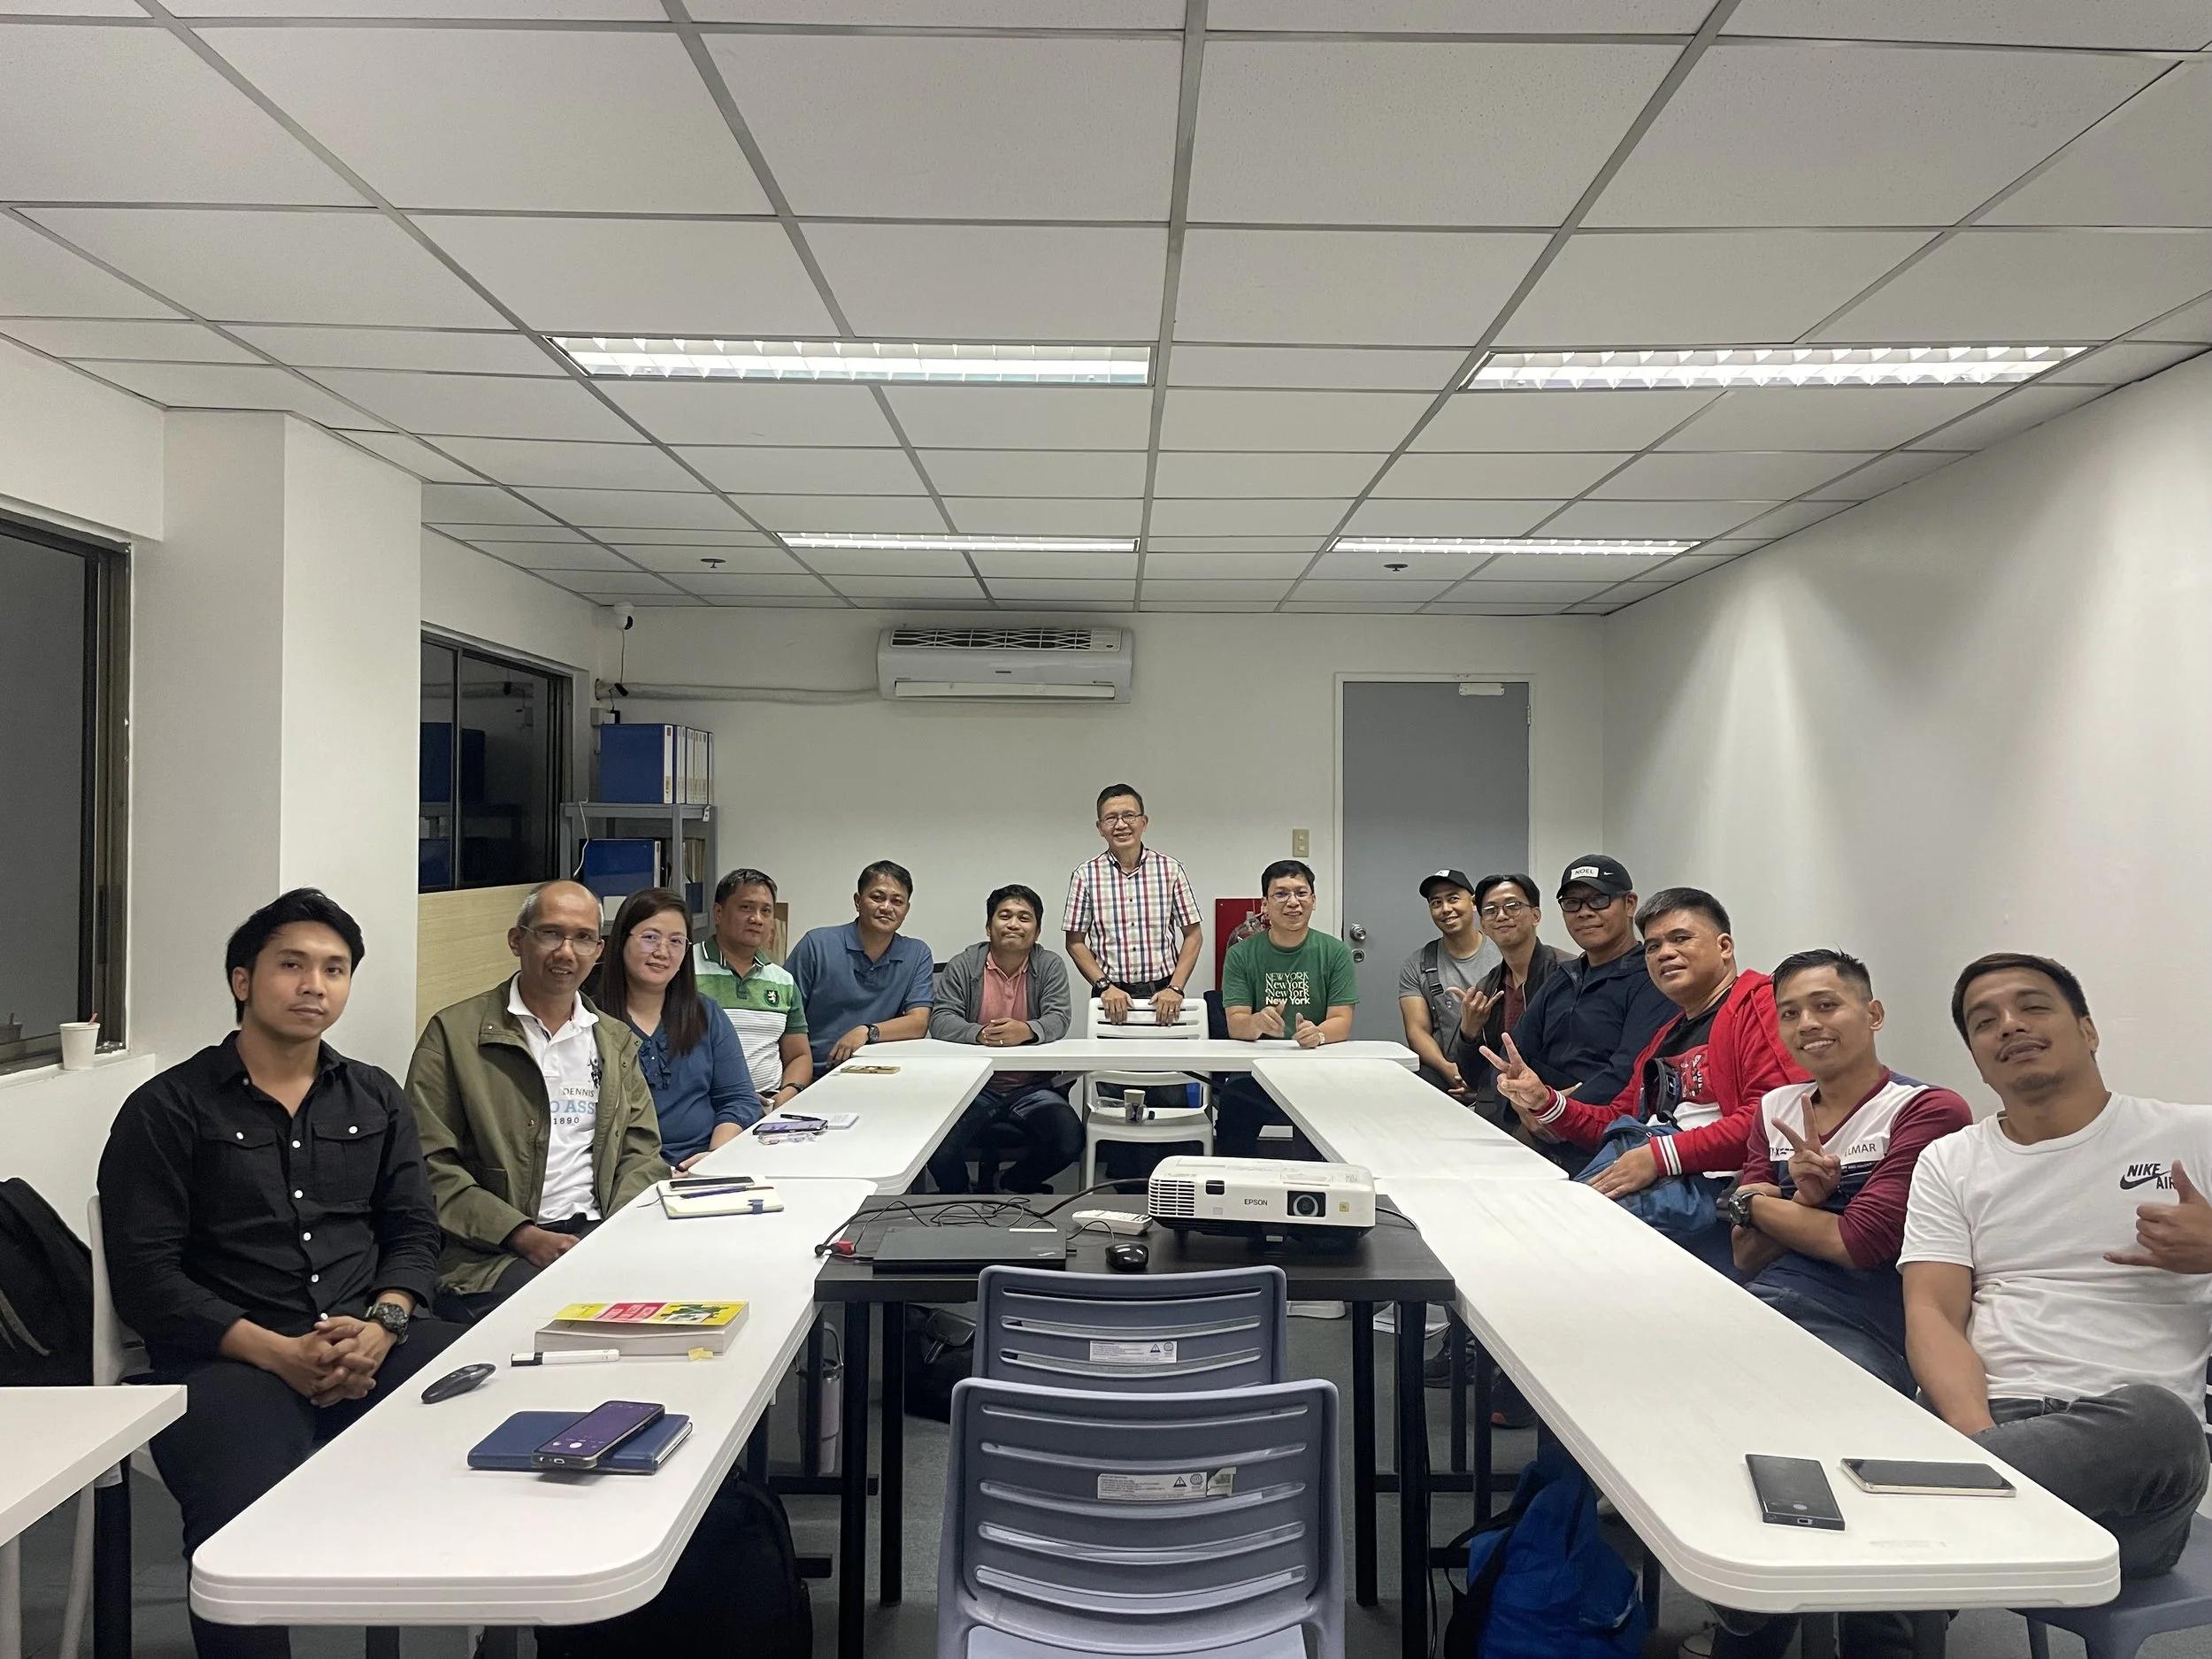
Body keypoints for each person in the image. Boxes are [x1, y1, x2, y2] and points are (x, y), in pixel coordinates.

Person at [97, 889, 463, 1659]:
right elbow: (149, 1277)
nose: (314, 985)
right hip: (229, 1359)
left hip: (374, 1339)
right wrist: (280, 1352)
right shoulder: (168, 1108)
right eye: (291, 965)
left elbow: (413, 1231)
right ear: (242, 980)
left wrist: (384, 1322)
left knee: (516, 1436)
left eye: (334, 969)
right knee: (240, 1532)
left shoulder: (375, 1095)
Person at [1901, 953, 2212, 1579]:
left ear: (2088, 1030)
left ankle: (1922, 1506)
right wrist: (1979, 1439)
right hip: (1993, 1415)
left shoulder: (2194, 1134)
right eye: (1984, 1021)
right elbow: (1932, 1310)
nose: (2010, 1025)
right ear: (1977, 1055)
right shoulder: (1949, 1161)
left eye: (2033, 1005)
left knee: (2160, 1422)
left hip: (2134, 1462)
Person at [1486, 887, 1803, 1271]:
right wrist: (1547, 1103)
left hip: (1712, 1192)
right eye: (1652, 946)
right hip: (1650, 1170)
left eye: (1680, 938)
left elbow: (1774, 1122)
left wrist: (1660, 1157)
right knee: (1512, 1225)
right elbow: (1617, 1119)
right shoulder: (1665, 1035)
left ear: (1724, 947)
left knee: (1546, 1250)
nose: (1664, 953)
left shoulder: (1762, 1006)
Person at [407, 879, 667, 1320]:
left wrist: (614, 1231)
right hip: (494, 1252)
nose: (566, 951)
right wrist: (522, 1234)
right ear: (516, 940)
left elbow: (642, 1151)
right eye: (550, 933)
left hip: (599, 1232)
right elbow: (429, 1166)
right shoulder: (454, 1035)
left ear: (599, 951)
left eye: (583, 938)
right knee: (561, 1314)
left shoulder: (614, 1041)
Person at [1726, 949, 1970, 1395]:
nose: (1807, 1024)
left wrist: (1753, 1203)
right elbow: (1745, 1254)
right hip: (1761, 1300)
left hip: (1862, 1327)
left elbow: (1856, 1243)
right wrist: (1803, 1202)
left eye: (1826, 1006)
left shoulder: (1926, 1109)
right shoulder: (1776, 1107)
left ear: (1873, 1014)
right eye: (1790, 1013)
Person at [1491, 855, 1676, 1173]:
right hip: (1537, 1130)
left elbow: (1628, 1071)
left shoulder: (1651, 978)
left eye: (1599, 900)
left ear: (1629, 903)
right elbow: (1512, 1052)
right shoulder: (1563, 977)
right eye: (1573, 903)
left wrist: (1552, 1109)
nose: (1585, 912)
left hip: (1604, 1141)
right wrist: (1522, 1103)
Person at [926, 884, 1081, 1194]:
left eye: (1024, 918)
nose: (1013, 924)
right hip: (971, 1087)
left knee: (1069, 1141)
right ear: (988, 926)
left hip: (1032, 1088)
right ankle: (960, 1200)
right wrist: (979, 1034)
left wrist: (1027, 1030)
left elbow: (1059, 1018)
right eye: (1005, 916)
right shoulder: (964, 964)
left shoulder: (1049, 965)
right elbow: (941, 1019)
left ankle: (1011, 1184)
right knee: (937, 1146)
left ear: (1036, 931)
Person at [599, 887, 763, 1169]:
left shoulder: (706, 1013)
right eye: (650, 938)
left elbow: (739, 1099)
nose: (662, 952)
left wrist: (713, 1158)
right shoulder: (591, 1021)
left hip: (703, 1163)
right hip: (621, 1173)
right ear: (621, 940)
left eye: (676, 941)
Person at [1217, 859, 1359, 1160]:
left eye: (1301, 893)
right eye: (1281, 894)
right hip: (1256, 1071)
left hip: (1317, 1069)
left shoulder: (1335, 952)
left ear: (1314, 900)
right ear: (1265, 905)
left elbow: (1342, 1021)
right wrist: (1257, 1022)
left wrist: (1317, 1033)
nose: (1293, 902)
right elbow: (1236, 1024)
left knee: (1332, 1119)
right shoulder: (1242, 954)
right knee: (1232, 1104)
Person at [1063, 784, 1203, 1028]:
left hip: (1164, 996)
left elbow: (1193, 935)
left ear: (1144, 822)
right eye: (1111, 818)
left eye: (1129, 816)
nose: (1121, 825)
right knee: (1112, 1066)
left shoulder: (1170, 870)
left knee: (1167, 1066)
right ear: (1100, 828)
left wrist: (1176, 987)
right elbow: (1075, 942)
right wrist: (1104, 986)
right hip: (1111, 998)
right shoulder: (1085, 876)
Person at [786, 860, 934, 1071]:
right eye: (877, 897)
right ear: (858, 901)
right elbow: (785, 1017)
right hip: (816, 1072)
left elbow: (918, 1023)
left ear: (906, 909)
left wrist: (866, 1031)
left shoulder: (917, 953)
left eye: (897, 901)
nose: (886, 908)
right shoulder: (817, 945)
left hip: (881, 1071)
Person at [695, 867, 811, 1110]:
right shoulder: (683, 968)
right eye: (746, 908)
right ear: (718, 913)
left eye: (766, 911)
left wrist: (786, 1096)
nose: (757, 918)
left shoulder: (784, 982)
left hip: (768, 1106)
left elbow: (799, 1056)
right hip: (704, 1107)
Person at [1452, 872, 1568, 1117]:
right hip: (1500, 1107)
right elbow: (1472, 1077)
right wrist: (1469, 1032)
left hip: (1555, 1104)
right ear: (1483, 924)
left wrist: (1543, 1106)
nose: (1502, 916)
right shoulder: (1487, 987)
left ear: (1535, 915)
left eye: (1513, 906)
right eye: (1491, 910)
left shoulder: (1567, 974)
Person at [1394, 868, 1501, 1097]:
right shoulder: (1418, 963)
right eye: (1436, 903)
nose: (1446, 909)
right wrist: (1449, 1070)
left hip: (1500, 1070)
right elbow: (1416, 1030)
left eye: (1453, 899)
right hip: (1445, 1072)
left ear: (1473, 903)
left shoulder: (1503, 954)